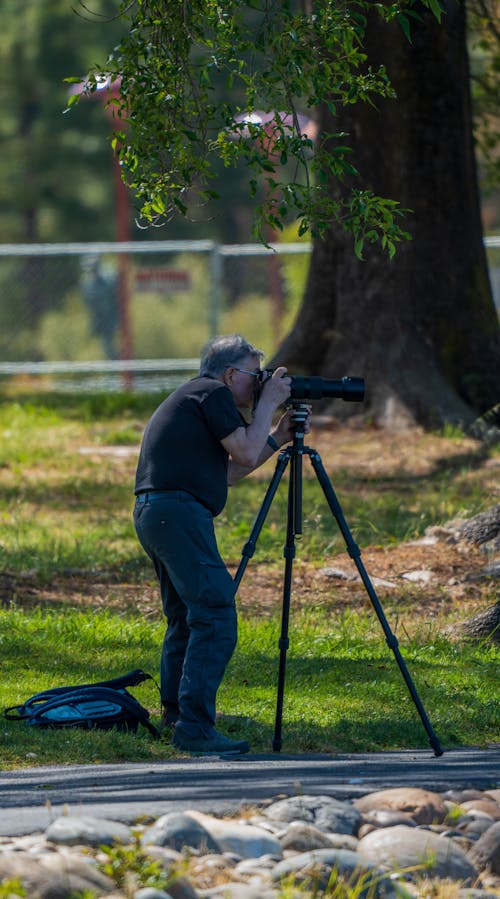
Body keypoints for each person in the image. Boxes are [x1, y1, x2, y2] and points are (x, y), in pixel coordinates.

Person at [134, 334, 307, 755]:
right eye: (255, 376)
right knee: (214, 614)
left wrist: (278, 437)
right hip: (175, 513)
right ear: (231, 374)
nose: (258, 384)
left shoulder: (197, 399)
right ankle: (194, 727)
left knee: (186, 618)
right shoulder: (211, 392)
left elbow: (228, 471)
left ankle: (177, 718)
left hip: (159, 513)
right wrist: (269, 402)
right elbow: (245, 457)